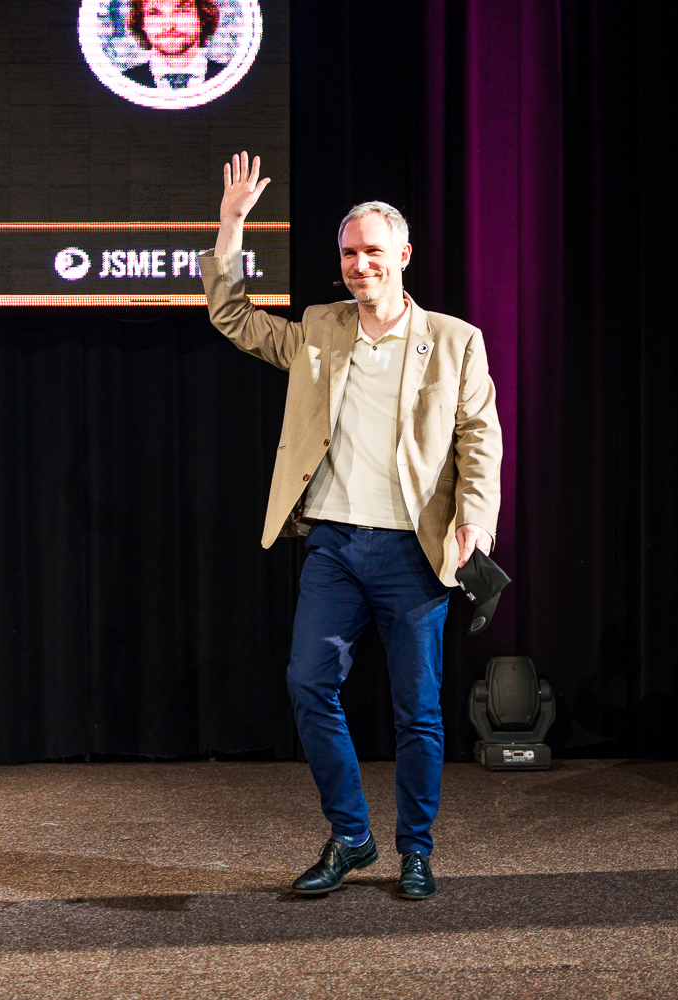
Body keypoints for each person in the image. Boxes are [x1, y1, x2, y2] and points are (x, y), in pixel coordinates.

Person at [200, 153, 501, 900]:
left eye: (373, 252)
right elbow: (233, 318)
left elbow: (479, 437)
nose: (360, 265)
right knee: (308, 684)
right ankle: (352, 836)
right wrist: (231, 225)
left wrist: (475, 519)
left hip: (413, 551)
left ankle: (416, 849)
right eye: (348, 254)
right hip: (334, 544)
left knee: (418, 713)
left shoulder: (454, 341)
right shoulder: (320, 330)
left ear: (403, 255)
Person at [122, 0, 228, 90]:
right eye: (155, 13)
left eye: (181, 11)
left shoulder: (228, 78)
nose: (168, 26)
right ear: (142, 23)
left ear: (202, 17)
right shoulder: (124, 84)